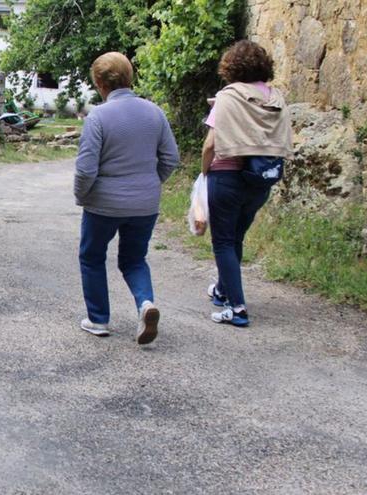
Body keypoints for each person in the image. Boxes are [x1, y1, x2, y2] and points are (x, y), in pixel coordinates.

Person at [74, 52, 179, 345]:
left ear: (99, 83)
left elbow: (86, 168)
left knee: (92, 256)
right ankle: (145, 304)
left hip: (103, 205)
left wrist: (82, 195)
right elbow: (171, 158)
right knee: (134, 259)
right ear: (130, 77)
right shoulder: (154, 112)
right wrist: (150, 184)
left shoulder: (98, 117)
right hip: (145, 204)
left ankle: (98, 319)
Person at [201, 40, 292, 327]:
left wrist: (203, 173)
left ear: (231, 67)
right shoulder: (275, 98)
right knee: (235, 238)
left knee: (223, 241)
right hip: (261, 177)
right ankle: (222, 290)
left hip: (226, 177)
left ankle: (237, 308)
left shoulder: (228, 97)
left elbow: (210, 145)